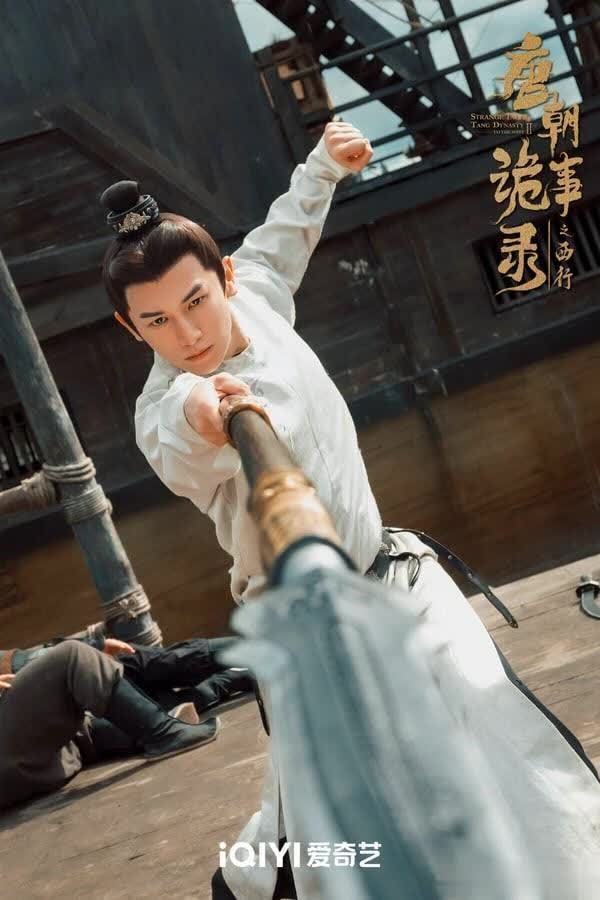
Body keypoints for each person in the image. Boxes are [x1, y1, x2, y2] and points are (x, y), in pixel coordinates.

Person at [98, 122, 600, 899]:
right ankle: (247, 880)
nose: (188, 334)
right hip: (313, 632)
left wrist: (324, 165)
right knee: (337, 825)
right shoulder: (164, 404)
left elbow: (282, 239)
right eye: (156, 321)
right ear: (130, 328)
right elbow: (178, 430)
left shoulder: (256, 293)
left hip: (395, 574)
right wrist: (208, 409)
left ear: (224, 278)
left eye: (195, 301)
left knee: (498, 724)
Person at [0, 639, 220, 811]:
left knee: (88, 720)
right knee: (72, 657)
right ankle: (164, 732)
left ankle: (185, 708)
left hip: (45, 756)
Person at [0, 631, 254, 764]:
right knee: (75, 657)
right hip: (36, 742)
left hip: (57, 736)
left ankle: (248, 660)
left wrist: (92, 646)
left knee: (141, 667)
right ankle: (166, 732)